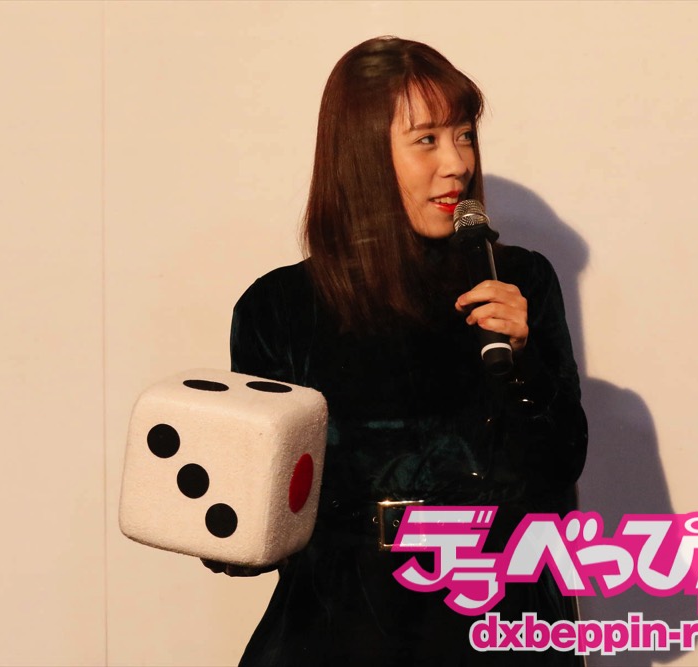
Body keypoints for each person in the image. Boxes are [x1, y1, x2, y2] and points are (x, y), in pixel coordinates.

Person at [208, 36, 588, 666]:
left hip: (498, 623)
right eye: (427, 140)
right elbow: (259, 521)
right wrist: (227, 521)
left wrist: (526, 365)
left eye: (464, 136)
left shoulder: (515, 282)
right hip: (344, 631)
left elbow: (559, 467)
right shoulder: (280, 307)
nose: (457, 163)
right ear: (361, 155)